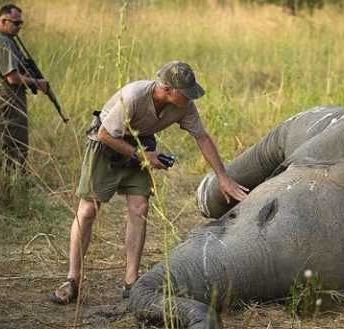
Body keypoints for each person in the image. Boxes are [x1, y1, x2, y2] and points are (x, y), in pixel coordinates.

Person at [50, 61, 249, 304]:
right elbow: (104, 133)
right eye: (185, 93)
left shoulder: (184, 107)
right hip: (106, 144)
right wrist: (143, 156)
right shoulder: (134, 95)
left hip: (141, 144)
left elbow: (202, 137)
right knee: (88, 210)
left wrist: (223, 178)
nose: (189, 98)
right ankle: (72, 280)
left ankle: (131, 281)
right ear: (167, 89)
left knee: (140, 208)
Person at [0, 4, 48, 174]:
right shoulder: (1, 41)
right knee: (17, 146)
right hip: (8, 96)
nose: (19, 27)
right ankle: (14, 185)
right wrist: (37, 83)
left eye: (21, 23)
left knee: (3, 144)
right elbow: (12, 77)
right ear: (2, 21)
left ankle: (6, 186)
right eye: (15, 23)